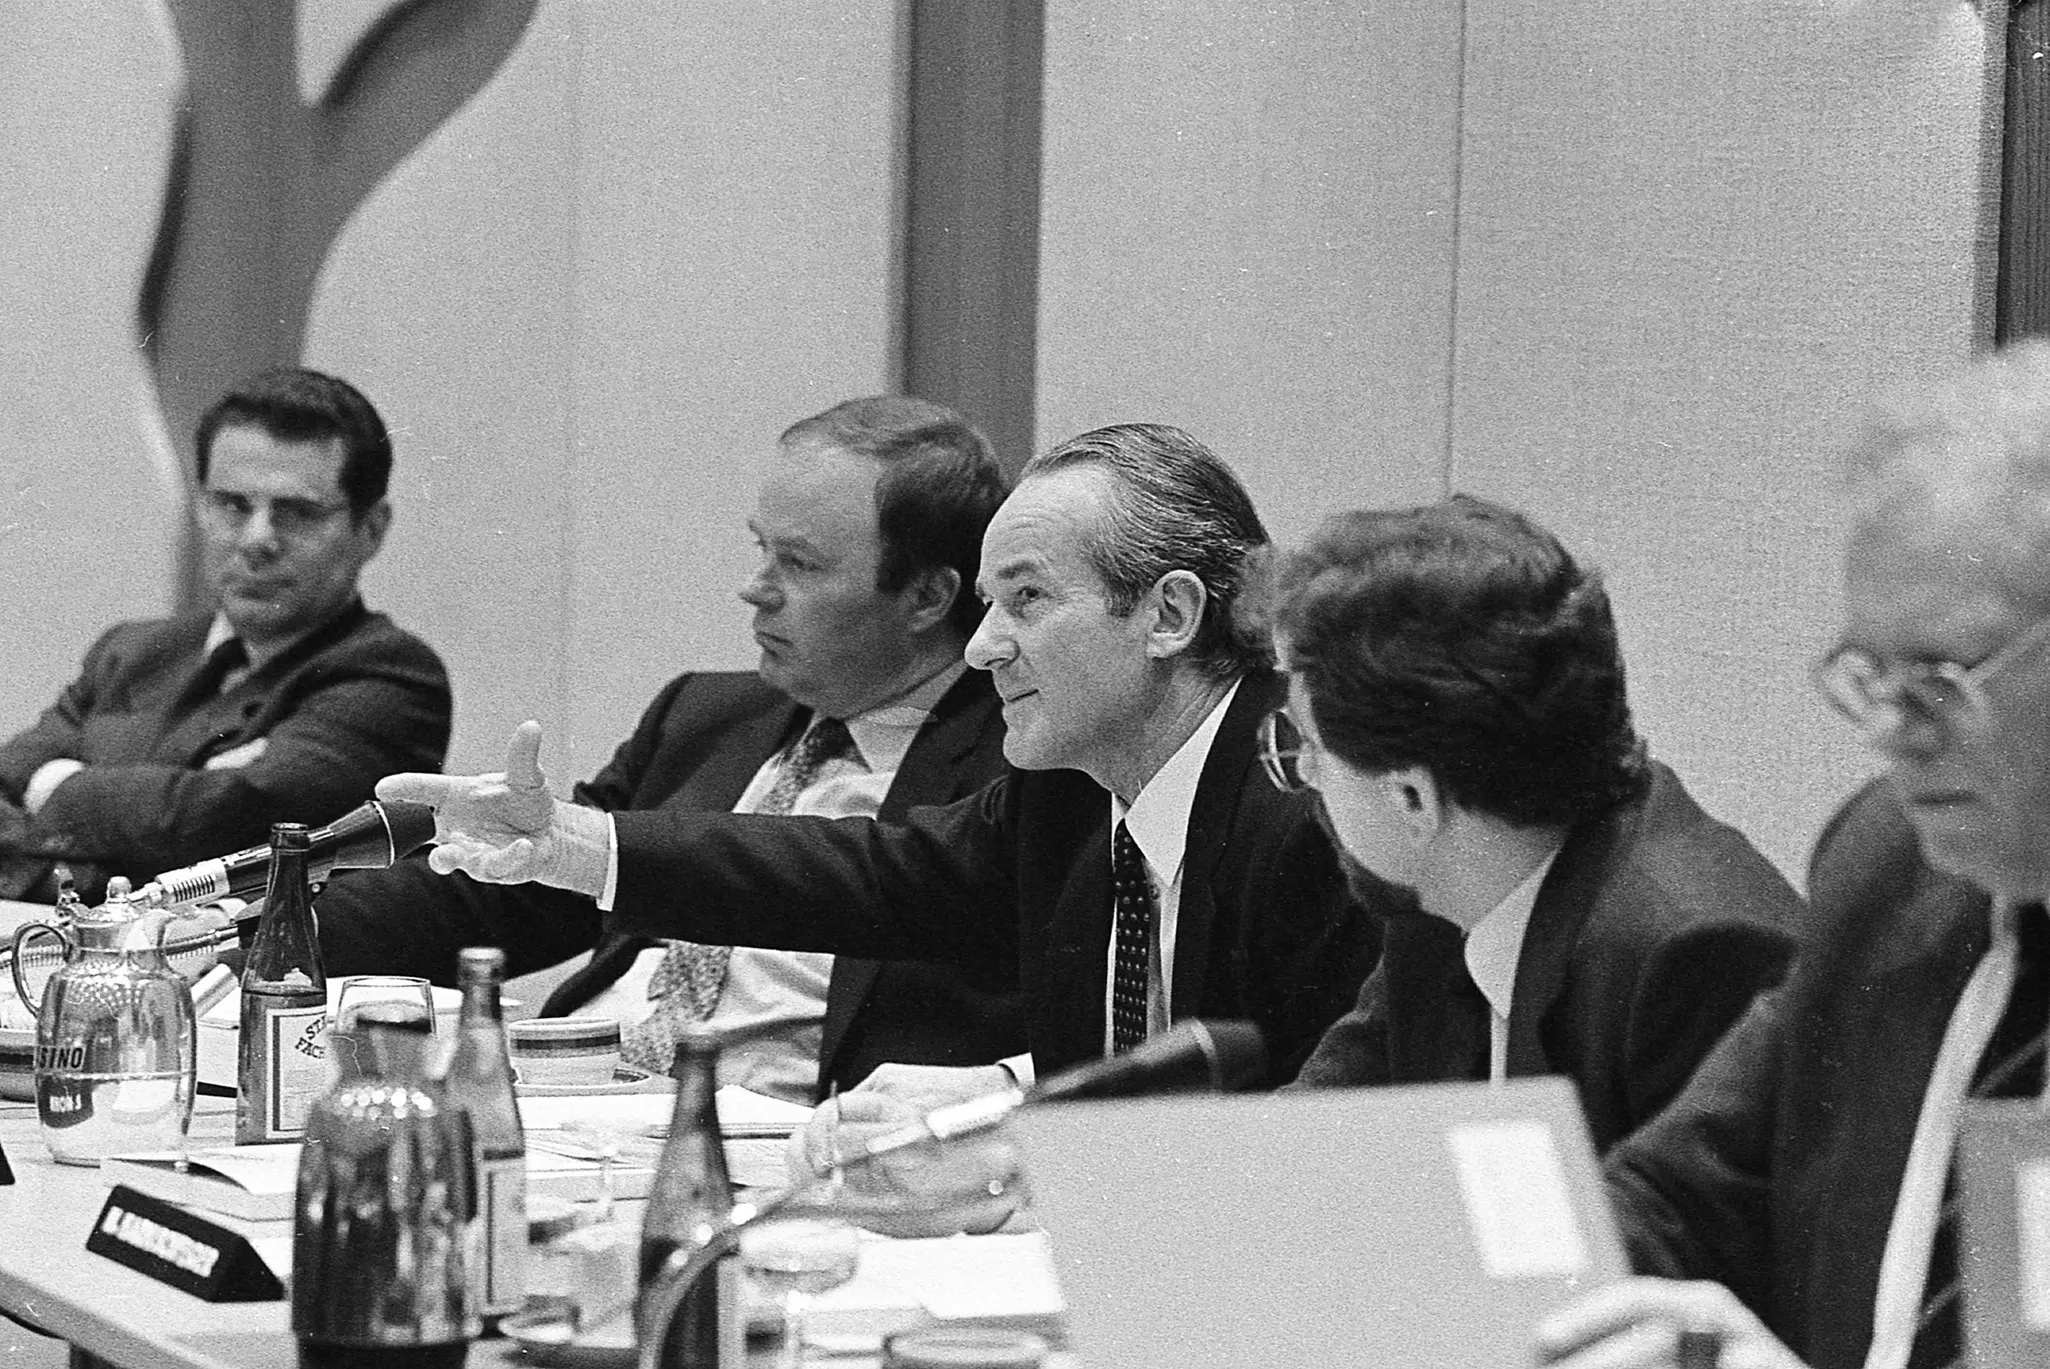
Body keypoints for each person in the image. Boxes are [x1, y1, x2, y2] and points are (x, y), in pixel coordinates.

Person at [383, 423, 1387, 1225]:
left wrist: (1023, 1140)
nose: (986, 644)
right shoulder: (1075, 795)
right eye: (991, 603)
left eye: (1028, 601)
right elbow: (866, 874)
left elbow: (1329, 1135)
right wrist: (568, 842)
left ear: (1167, 615)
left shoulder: (1307, 811)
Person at [1537, 342, 2050, 1369]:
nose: (1893, 734)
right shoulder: (1890, 867)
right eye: (1871, 676)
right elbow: (1671, 1199)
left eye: (1943, 678)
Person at [315, 396, 1025, 1104]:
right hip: (570, 1099)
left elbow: (849, 877)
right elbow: (519, 885)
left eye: (800, 564)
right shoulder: (708, 714)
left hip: (754, 1143)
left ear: (928, 596)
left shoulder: (1012, 773)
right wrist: (269, 928)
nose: (755, 588)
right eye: (761, 548)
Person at [1264, 496, 1800, 1151]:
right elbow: (1301, 1142)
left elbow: (1675, 1237)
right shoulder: (1443, 897)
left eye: (1311, 751)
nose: (1306, 776)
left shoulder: (1689, 957)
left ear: (1412, 800)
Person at [0, 367, 449, 903]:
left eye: (298, 513)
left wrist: (54, 790)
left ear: (369, 530)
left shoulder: (392, 677)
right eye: (233, 505)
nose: (257, 540)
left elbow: (229, 826)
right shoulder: (132, 652)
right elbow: (8, 776)